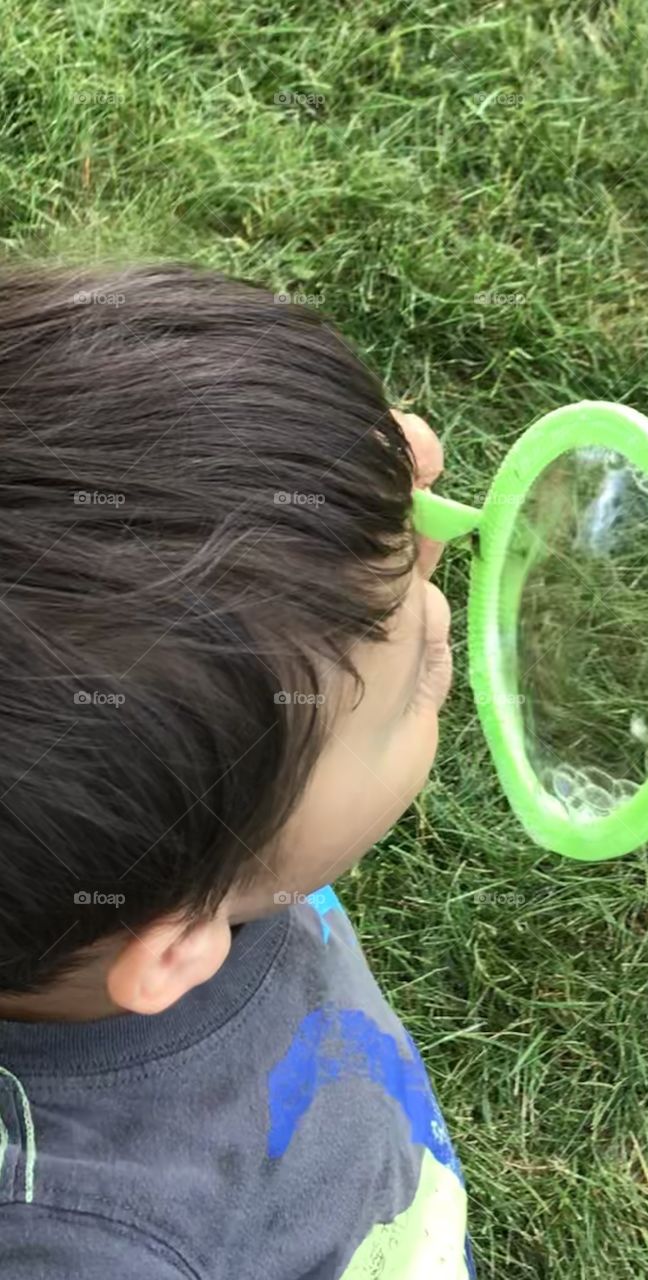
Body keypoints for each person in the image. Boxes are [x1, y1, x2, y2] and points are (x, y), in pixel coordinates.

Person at [0, 264, 475, 1278]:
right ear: (174, 945)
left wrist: (344, 519)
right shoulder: (86, 1236)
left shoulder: (180, 842)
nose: (435, 615)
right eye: (411, 694)